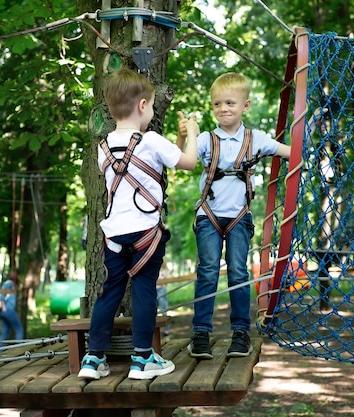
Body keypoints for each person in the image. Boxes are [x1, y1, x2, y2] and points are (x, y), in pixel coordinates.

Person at [78, 68, 199, 380]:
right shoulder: (152, 140)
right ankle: (143, 357)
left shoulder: (102, 147)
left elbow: (148, 164)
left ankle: (93, 358)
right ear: (143, 106)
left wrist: (180, 138)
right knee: (145, 289)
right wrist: (194, 134)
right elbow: (186, 162)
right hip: (145, 232)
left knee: (109, 293)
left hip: (114, 234)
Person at [177, 72, 291, 359]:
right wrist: (183, 136)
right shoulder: (205, 139)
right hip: (209, 215)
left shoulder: (255, 140)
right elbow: (183, 161)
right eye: (217, 104)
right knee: (207, 271)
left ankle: (241, 332)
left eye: (230, 103)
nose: (223, 109)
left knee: (239, 272)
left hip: (239, 216)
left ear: (245, 106)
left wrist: (310, 142)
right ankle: (200, 332)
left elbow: (290, 152)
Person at [0, 277, 24, 348]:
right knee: (19, 329)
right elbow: (2, 292)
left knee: (5, 332)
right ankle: (18, 348)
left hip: (4, 312)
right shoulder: (10, 283)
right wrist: (3, 307)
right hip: (8, 310)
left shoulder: (13, 287)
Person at [157, 264, 172, 342]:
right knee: (152, 310)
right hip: (152, 289)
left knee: (164, 309)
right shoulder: (154, 267)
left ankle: (166, 331)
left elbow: (169, 278)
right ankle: (153, 330)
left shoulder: (165, 270)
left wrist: (164, 282)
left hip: (161, 289)